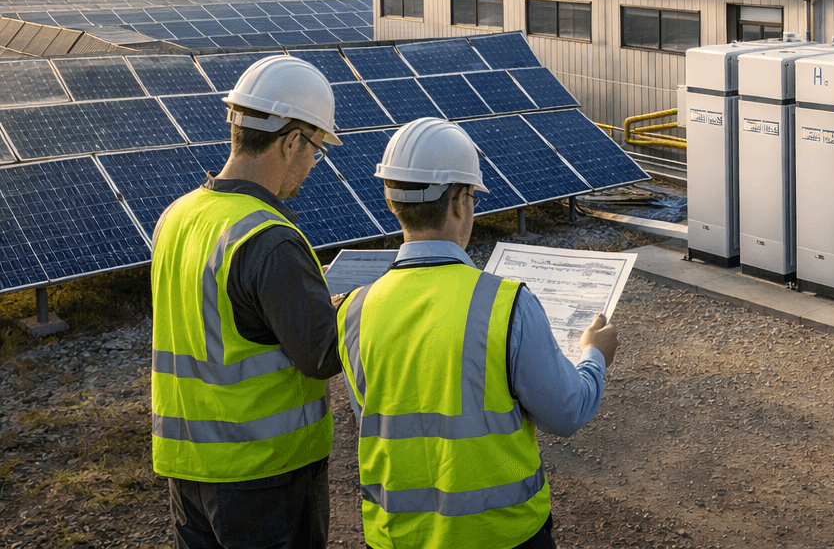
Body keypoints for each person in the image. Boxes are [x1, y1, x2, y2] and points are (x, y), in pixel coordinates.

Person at [335, 117, 618, 549]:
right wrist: (594, 356)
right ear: (460, 202)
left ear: (393, 201)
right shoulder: (507, 306)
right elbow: (567, 411)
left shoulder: (354, 310)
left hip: (397, 538)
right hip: (502, 536)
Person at [151, 55, 345, 549]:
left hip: (188, 467)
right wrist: (357, 306)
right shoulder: (269, 237)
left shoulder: (177, 216)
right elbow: (321, 354)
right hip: (263, 474)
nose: (311, 164)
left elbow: (221, 317)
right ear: (292, 140)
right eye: (316, 149)